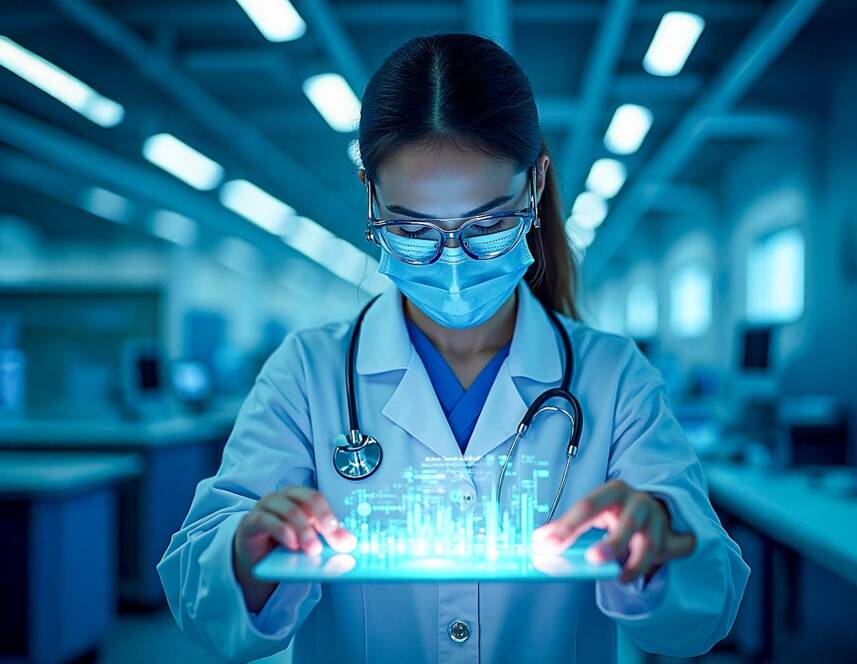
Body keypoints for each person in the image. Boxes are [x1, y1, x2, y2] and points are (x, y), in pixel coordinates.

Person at [157, 33, 748, 663]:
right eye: (412, 230)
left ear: (536, 184)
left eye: (489, 225)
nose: (455, 263)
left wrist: (656, 540)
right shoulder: (309, 374)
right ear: (370, 195)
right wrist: (248, 549)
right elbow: (199, 591)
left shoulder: (612, 377)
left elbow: (703, 611)